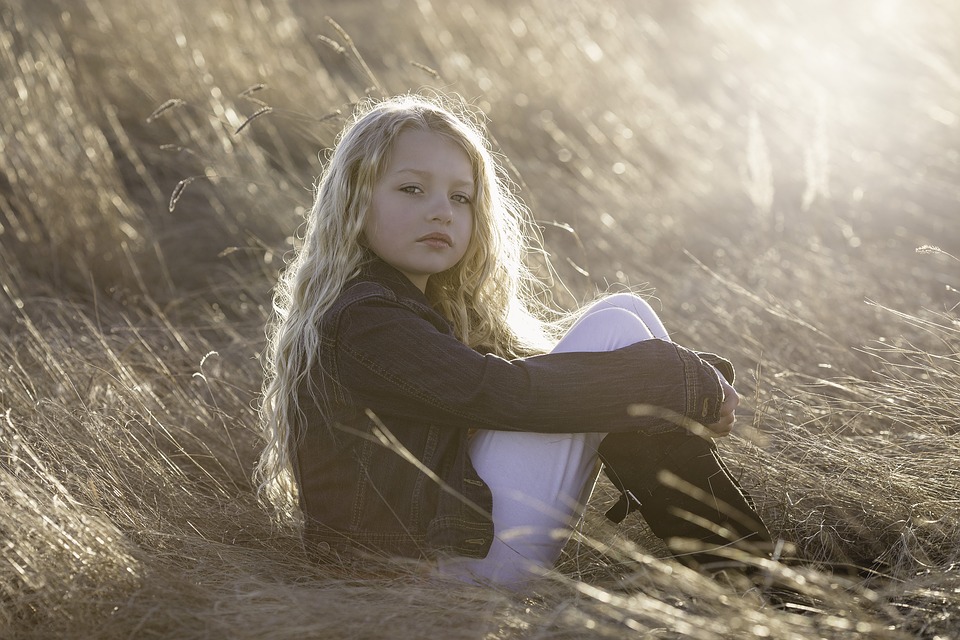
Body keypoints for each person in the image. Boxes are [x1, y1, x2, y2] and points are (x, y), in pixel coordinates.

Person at [256, 93, 772, 589]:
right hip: (416, 575)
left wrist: (684, 380)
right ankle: (750, 574)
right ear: (354, 197)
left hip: (442, 554)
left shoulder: (402, 306)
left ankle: (742, 572)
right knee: (617, 330)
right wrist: (678, 381)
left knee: (622, 315)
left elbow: (515, 384)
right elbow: (502, 394)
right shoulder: (367, 318)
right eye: (412, 189)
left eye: (461, 197)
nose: (442, 211)